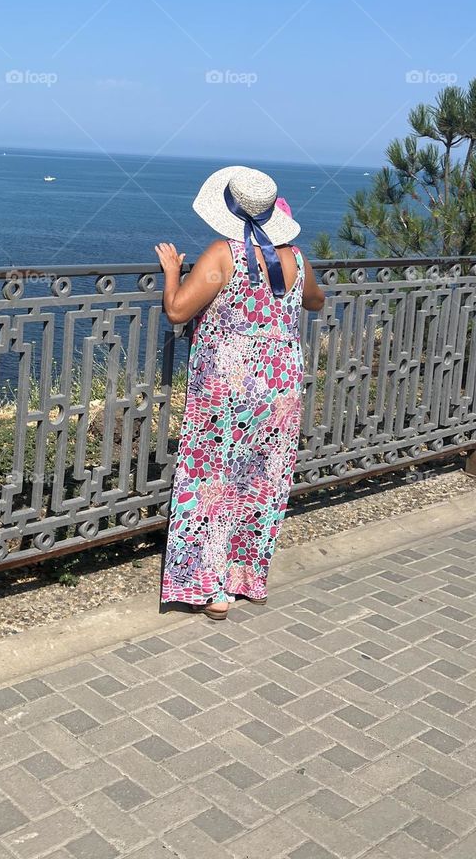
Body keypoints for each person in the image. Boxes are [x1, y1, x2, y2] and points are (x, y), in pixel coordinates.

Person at [155, 166, 325, 620]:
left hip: (228, 386)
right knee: (261, 481)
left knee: (213, 481)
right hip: (281, 384)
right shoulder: (296, 257)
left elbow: (177, 311)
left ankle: (211, 590)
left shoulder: (223, 254)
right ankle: (247, 577)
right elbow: (315, 301)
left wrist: (173, 272)